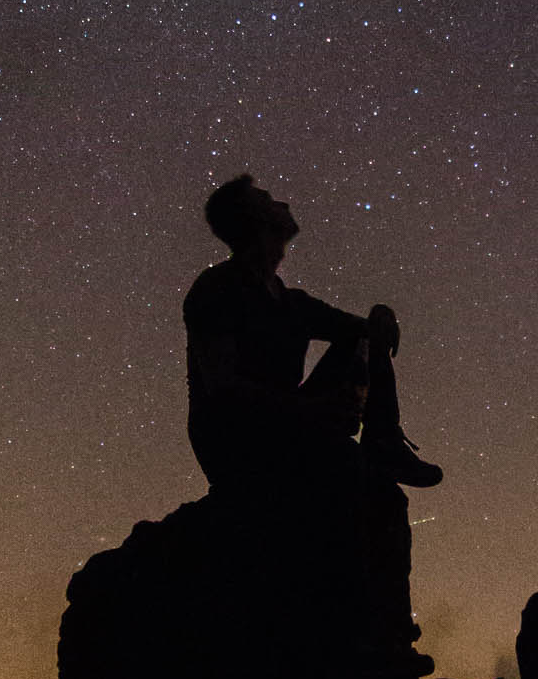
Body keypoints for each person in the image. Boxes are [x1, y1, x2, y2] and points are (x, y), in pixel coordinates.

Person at [182, 175, 441, 491]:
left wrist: (381, 316)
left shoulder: (292, 303)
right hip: (235, 441)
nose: (284, 204)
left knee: (362, 341)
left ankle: (384, 443)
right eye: (268, 199)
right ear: (253, 219)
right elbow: (224, 390)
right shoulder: (217, 288)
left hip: (286, 422)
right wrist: (318, 409)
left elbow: (366, 332)